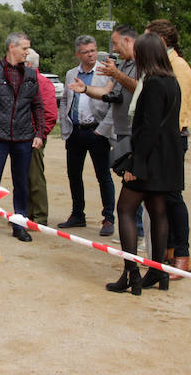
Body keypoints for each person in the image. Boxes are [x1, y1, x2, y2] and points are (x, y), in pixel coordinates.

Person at [105, 32, 183, 296]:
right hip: (166, 159)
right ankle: (157, 270)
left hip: (149, 159)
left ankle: (132, 273)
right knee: (157, 210)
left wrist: (135, 166)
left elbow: (149, 129)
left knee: (125, 209)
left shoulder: (153, 84)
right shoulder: (171, 82)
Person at [0, 32, 44, 242]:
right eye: (24, 48)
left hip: (23, 138)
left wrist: (39, 133)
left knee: (22, 183)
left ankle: (19, 224)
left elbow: (38, 106)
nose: (27, 52)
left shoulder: (31, 75)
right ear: (12, 47)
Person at [76, 25, 141, 240]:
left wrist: (117, 74)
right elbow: (106, 92)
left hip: (135, 133)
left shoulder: (141, 65)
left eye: (115, 43)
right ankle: (138, 232)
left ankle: (140, 233)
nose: (113, 48)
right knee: (128, 180)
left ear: (128, 41)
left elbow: (140, 89)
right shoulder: (123, 65)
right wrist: (85, 89)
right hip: (122, 133)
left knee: (136, 184)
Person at [146, 18, 191, 279]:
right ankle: (167, 251)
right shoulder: (163, 64)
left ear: (161, 40)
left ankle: (182, 256)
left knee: (173, 197)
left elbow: (177, 109)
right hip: (162, 140)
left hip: (173, 140)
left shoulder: (179, 66)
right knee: (161, 198)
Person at [57, 35, 115, 236]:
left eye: (93, 50)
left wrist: (103, 130)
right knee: (74, 174)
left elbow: (112, 104)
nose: (91, 54)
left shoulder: (106, 73)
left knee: (103, 176)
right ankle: (77, 215)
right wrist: (65, 124)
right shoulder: (71, 73)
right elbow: (65, 100)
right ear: (78, 54)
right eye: (86, 51)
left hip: (97, 132)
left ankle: (108, 218)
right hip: (75, 132)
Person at [25, 49, 58, 226]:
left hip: (33, 137)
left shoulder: (43, 83)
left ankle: (39, 217)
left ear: (28, 64)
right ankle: (26, 214)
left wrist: (40, 134)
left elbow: (51, 114)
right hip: (20, 137)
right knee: (22, 177)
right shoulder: (22, 81)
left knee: (35, 177)